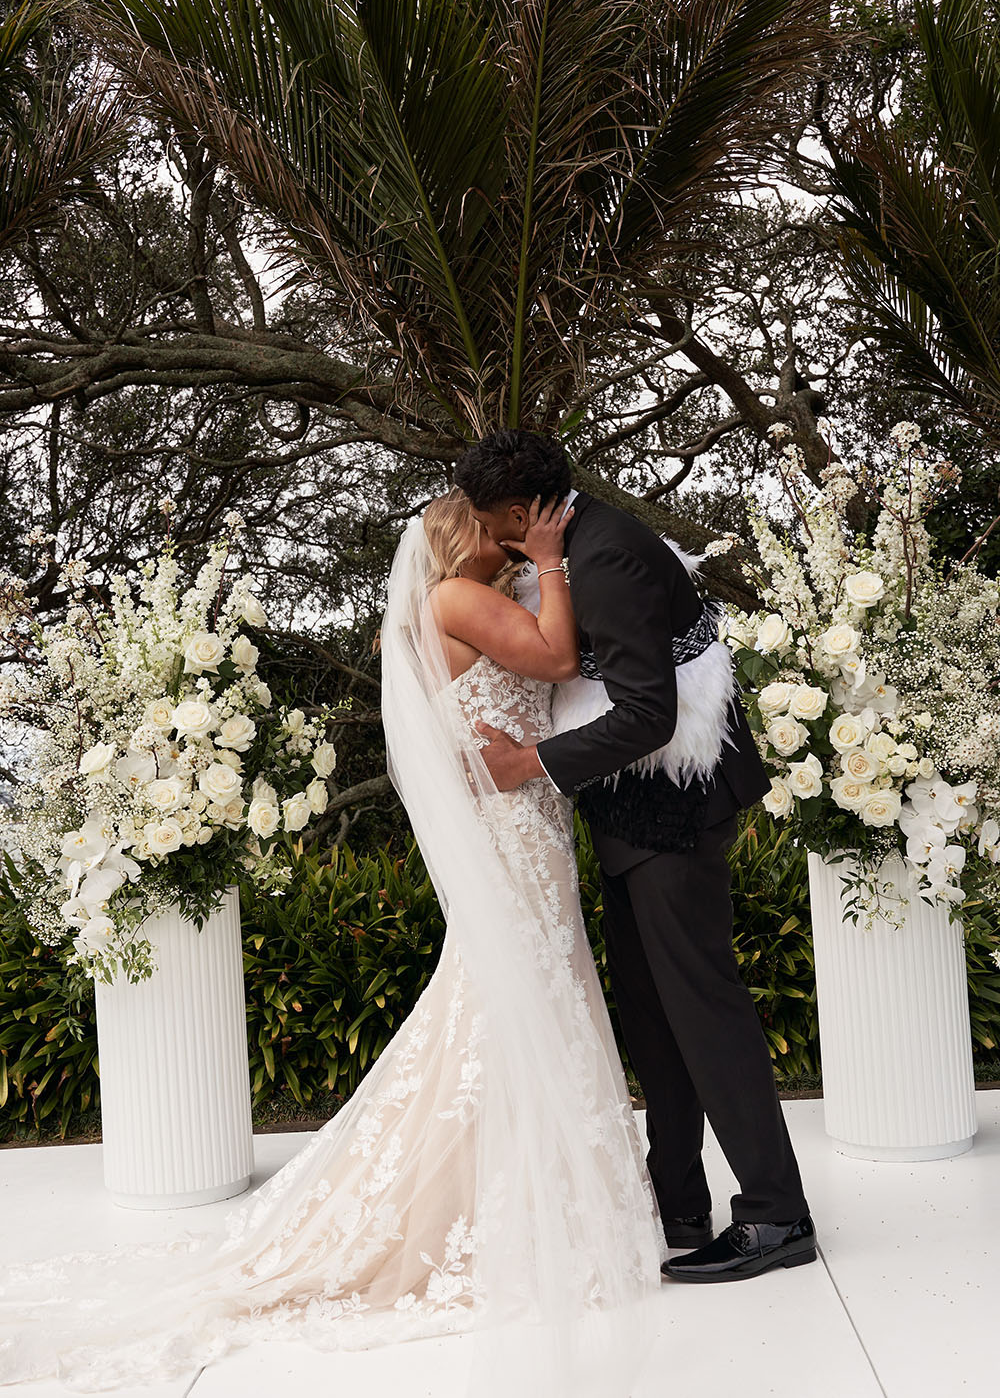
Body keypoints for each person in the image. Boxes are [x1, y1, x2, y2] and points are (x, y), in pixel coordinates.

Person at [0, 489, 663, 1398]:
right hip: (516, 830)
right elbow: (557, 654)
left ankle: (532, 1195)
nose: (515, 532)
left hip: (526, 822)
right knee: (510, 998)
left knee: (514, 997)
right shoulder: (458, 600)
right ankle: (525, 1206)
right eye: (500, 525)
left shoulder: (460, 605)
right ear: (463, 539)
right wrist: (551, 558)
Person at [454, 429, 817, 1283]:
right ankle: (681, 1200)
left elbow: (650, 715)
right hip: (635, 816)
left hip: (671, 813)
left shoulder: (606, 556)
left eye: (485, 517)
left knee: (703, 1009)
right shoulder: (580, 545)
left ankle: (776, 1215)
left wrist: (529, 764)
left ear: (516, 511)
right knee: (654, 1017)